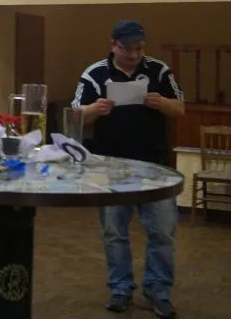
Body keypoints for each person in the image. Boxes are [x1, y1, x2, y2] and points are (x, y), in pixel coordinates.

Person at [72, 21, 184, 319]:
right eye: (127, 49)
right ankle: (120, 288)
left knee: (162, 233)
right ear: (113, 45)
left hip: (155, 167)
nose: (134, 55)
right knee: (114, 233)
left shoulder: (159, 71)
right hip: (110, 167)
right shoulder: (94, 74)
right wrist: (94, 110)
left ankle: (158, 290)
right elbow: (75, 116)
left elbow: (180, 108)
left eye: (139, 49)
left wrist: (163, 103)